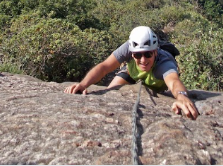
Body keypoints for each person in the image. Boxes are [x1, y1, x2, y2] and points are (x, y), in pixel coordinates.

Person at [64, 26, 199, 119]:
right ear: (132, 53)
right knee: (110, 93)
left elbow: (174, 81)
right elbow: (105, 67)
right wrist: (83, 84)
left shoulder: (164, 63)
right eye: (138, 56)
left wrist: (182, 97)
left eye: (148, 54)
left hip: (157, 82)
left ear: (155, 52)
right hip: (132, 73)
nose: (143, 60)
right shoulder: (127, 48)